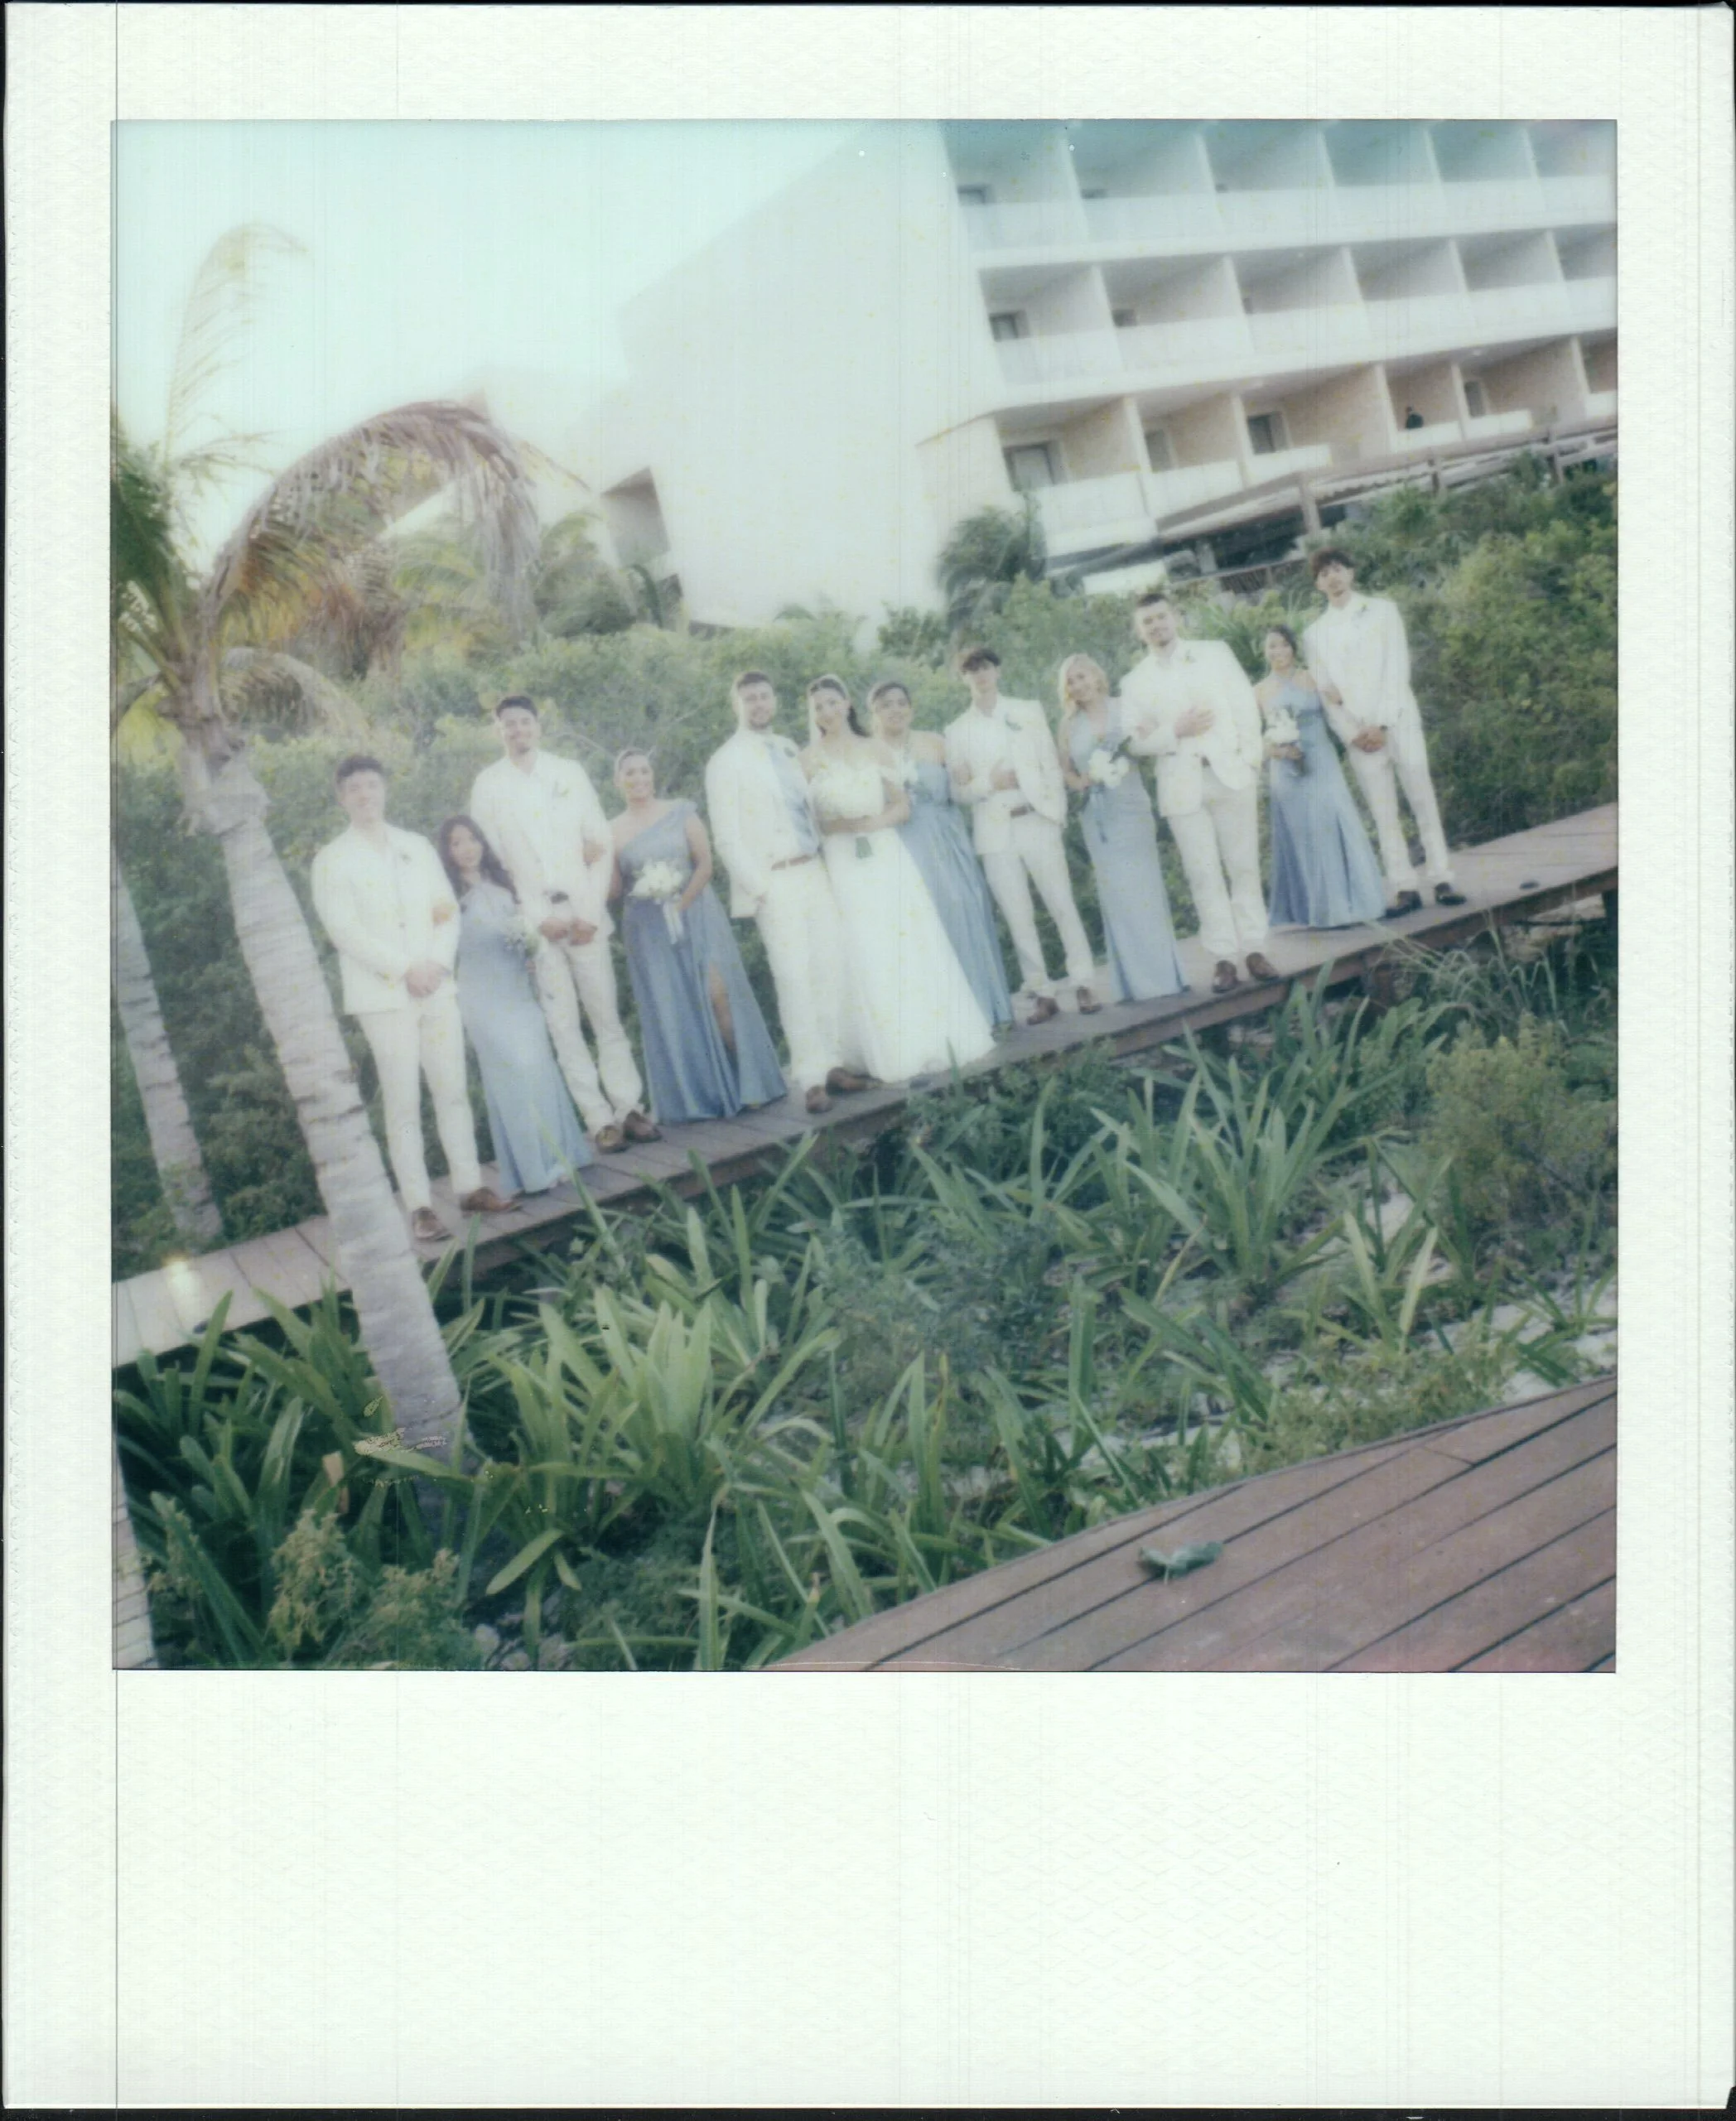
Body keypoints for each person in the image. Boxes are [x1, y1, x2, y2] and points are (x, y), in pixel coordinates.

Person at [310, 755, 514, 1244]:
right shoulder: (332, 859)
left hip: (437, 987)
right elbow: (344, 931)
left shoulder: (417, 846)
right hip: (384, 998)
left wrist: (437, 966)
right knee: (403, 1102)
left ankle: (469, 1187)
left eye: (372, 786)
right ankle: (421, 1207)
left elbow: (445, 911)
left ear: (384, 790)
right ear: (342, 798)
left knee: (453, 1091)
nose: (365, 795)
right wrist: (405, 970)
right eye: (354, 788)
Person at [469, 695, 660, 1152]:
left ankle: (628, 1107)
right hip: (539, 926)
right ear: (499, 731)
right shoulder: (488, 786)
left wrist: (590, 914)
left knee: (606, 1017)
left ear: (538, 726)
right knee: (563, 1024)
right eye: (509, 725)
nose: (518, 731)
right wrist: (537, 921)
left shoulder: (569, 772)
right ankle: (598, 1121)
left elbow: (599, 843)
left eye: (525, 722)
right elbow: (492, 865)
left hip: (585, 916)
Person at [802, 676, 995, 1083]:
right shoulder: (807, 760)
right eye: (819, 707)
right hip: (843, 860)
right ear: (812, 714)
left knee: (906, 938)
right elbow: (813, 822)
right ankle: (885, 1047)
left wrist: (871, 823)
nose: (827, 712)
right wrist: (841, 825)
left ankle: (932, 1036)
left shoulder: (872, 748)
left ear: (847, 704)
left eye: (833, 703)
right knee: (864, 946)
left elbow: (903, 806)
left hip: (885, 854)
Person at [703, 670, 875, 1116]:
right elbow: (726, 838)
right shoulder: (725, 760)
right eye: (750, 698)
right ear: (736, 704)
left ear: (774, 700)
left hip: (812, 869)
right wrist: (760, 888)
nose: (759, 704)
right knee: (793, 976)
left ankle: (834, 1061)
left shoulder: (787, 748)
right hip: (774, 879)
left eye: (764, 696)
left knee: (829, 967)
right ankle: (811, 1077)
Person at [607, 748, 786, 1125]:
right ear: (617, 781)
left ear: (652, 775)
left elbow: (704, 864)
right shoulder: (612, 830)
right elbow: (614, 890)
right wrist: (589, 858)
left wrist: (680, 904)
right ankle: (698, 1096)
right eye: (629, 774)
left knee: (717, 995)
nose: (639, 779)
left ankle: (748, 1083)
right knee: (674, 1008)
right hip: (647, 929)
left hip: (696, 915)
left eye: (644, 771)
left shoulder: (681, 811)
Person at [1119, 591, 1279, 995]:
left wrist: (1250, 762)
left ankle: (1255, 949)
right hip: (1182, 786)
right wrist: (1174, 730)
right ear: (1139, 632)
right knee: (1203, 873)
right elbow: (1133, 744)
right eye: (1147, 622)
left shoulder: (1214, 653)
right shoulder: (1135, 682)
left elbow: (1244, 706)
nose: (1156, 626)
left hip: (1230, 775)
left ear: (1175, 617)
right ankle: (1224, 957)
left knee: (1243, 866)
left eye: (1161, 617)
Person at [436, 816, 596, 1197]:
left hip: (519, 991)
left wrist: (528, 948)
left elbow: (523, 928)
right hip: (483, 998)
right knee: (515, 1073)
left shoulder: (502, 882)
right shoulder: (446, 896)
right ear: (448, 851)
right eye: (457, 843)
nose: (467, 848)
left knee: (539, 1067)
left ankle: (561, 1157)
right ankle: (533, 1169)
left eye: (472, 839)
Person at [1301, 547, 1466, 913]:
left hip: (1399, 721)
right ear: (1318, 583)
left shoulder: (1383, 611)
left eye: (1339, 569)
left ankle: (1442, 877)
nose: (1334, 577)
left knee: (1422, 799)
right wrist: (1353, 732)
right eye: (1325, 573)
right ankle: (1404, 886)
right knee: (1383, 811)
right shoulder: (1316, 633)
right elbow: (1325, 690)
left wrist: (1383, 722)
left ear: (1352, 573)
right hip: (1360, 737)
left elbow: (1396, 667)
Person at [942, 646, 1102, 1022]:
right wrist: (988, 783)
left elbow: (1049, 762)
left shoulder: (1027, 710)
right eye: (971, 671)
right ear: (963, 678)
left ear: (997, 671)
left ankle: (1083, 982)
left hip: (1037, 820)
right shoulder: (956, 731)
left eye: (986, 667)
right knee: (1018, 914)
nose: (980, 676)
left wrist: (1056, 814)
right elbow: (959, 792)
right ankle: (1042, 991)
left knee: (1061, 903)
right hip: (995, 831)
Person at [866, 678, 1014, 1032]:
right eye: (886, 704)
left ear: (911, 707)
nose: (896, 710)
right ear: (874, 713)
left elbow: (963, 791)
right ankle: (950, 1021)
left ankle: (988, 1008)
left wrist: (969, 778)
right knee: (926, 923)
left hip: (948, 840)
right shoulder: (868, 755)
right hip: (905, 846)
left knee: (966, 907)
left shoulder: (935, 743)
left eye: (901, 702)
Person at [1056, 654, 1187, 1003]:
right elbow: (1065, 771)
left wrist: (1141, 737)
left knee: (1145, 890)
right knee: (1119, 895)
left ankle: (1164, 977)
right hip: (1099, 818)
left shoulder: (1125, 707)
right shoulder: (1068, 725)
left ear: (1096, 676)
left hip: (1132, 808)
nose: (1078, 686)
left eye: (1082, 677)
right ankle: (1135, 983)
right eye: (1071, 682)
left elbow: (1145, 743)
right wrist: (1081, 781)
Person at [1254, 626, 1387, 930]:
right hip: (1286, 770)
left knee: (1334, 819)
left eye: (1283, 645)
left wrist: (1357, 732)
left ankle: (1357, 904)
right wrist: (1277, 750)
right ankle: (1320, 911)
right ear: (1265, 652)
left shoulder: (1313, 677)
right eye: (1271, 647)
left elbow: (1340, 707)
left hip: (1321, 759)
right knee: (1304, 834)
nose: (1278, 652)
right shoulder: (1259, 691)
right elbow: (1251, 739)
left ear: (1293, 649)